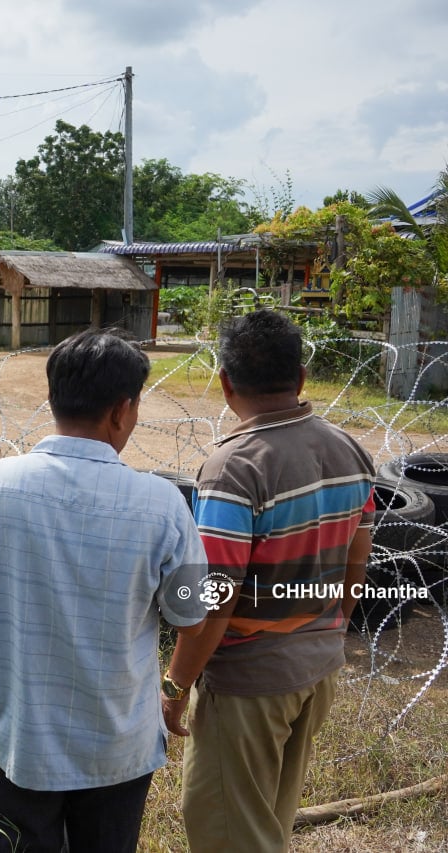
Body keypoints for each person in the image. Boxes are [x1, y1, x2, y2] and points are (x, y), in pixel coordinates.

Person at [0, 329, 208, 853]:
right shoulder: (162, 503)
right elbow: (193, 616)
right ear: (122, 411)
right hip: (116, 745)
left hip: (20, 739)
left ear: (54, 398)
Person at [163, 309, 375, 852]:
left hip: (251, 681)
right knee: (268, 824)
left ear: (225, 381)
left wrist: (175, 686)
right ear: (301, 378)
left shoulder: (234, 468)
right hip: (318, 667)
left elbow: (214, 596)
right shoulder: (350, 450)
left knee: (227, 832)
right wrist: (329, 629)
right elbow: (358, 558)